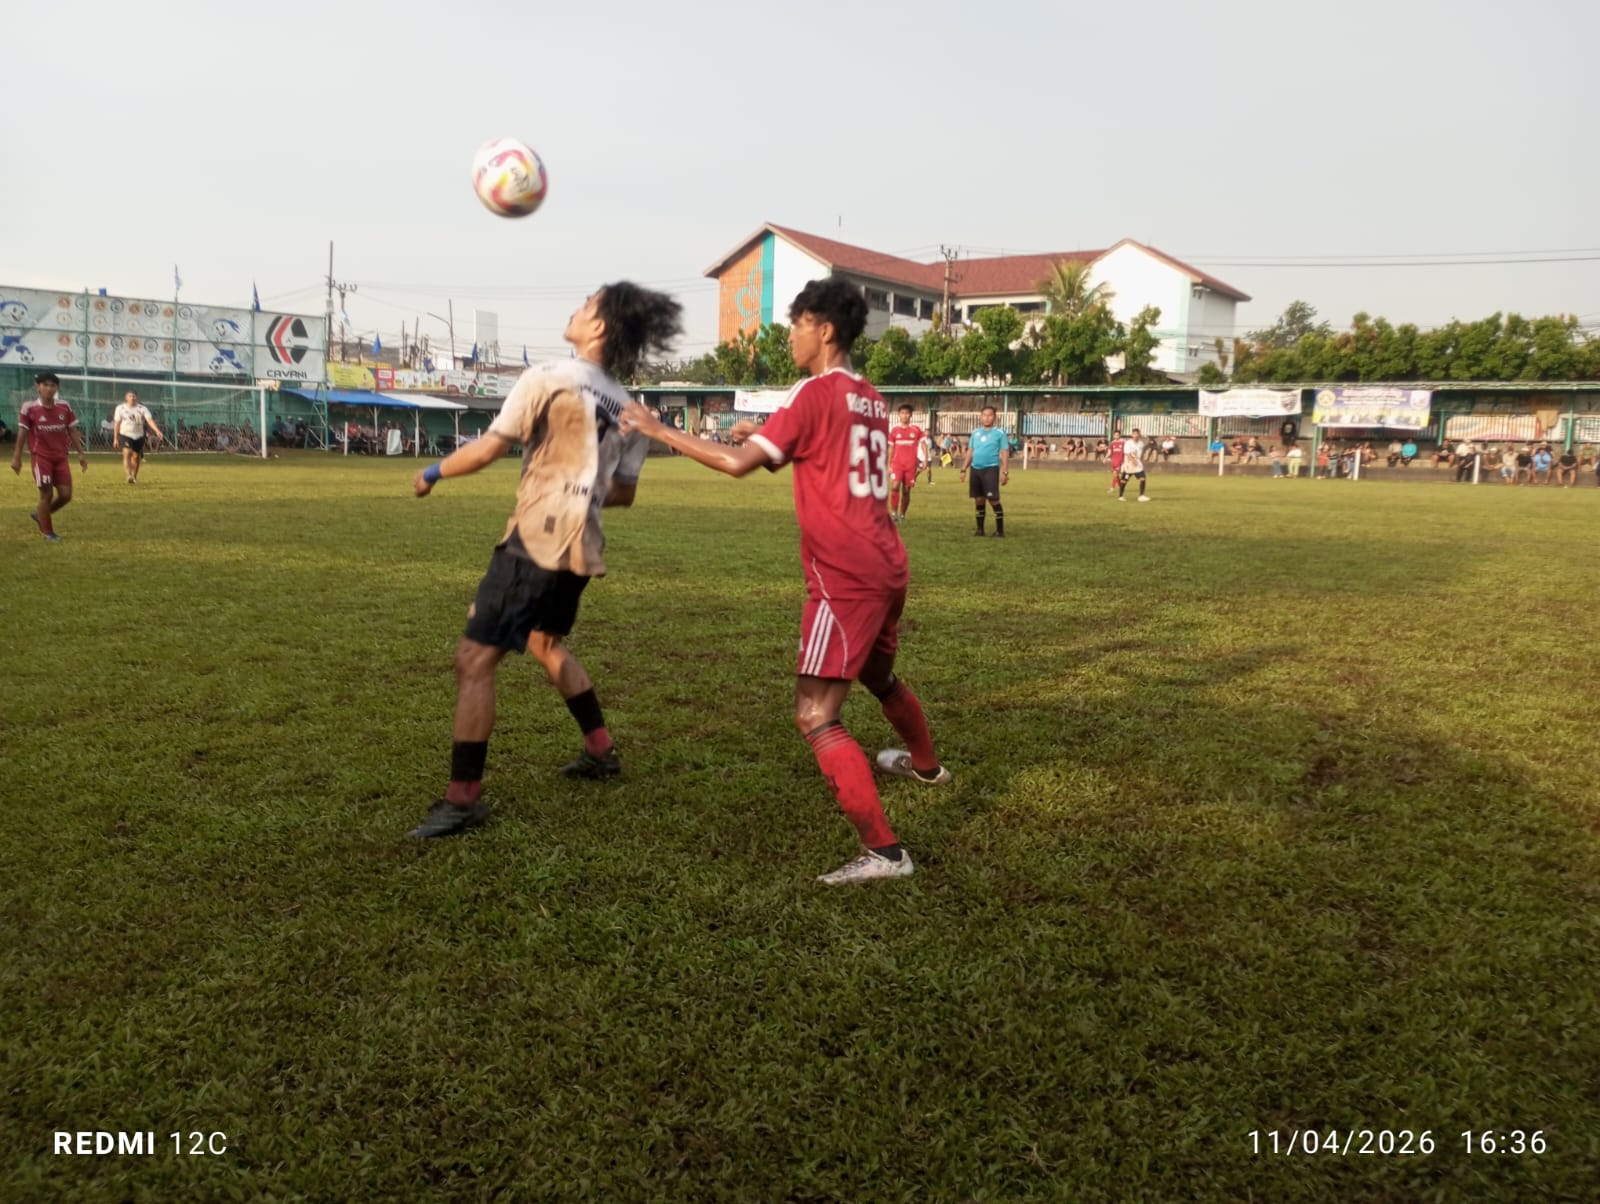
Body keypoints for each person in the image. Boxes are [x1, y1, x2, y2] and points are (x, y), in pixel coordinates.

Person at [621, 278, 948, 885]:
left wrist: (656, 428)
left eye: (797, 324)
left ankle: (886, 853)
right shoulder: (870, 398)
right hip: (886, 561)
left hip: (845, 575)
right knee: (878, 675)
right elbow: (819, 446)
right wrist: (758, 433)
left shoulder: (815, 392)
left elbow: (737, 466)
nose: (791, 335)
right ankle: (926, 766)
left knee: (814, 713)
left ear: (824, 329)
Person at [407, 282, 683, 840]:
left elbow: (488, 449)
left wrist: (431, 474)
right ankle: (600, 751)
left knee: (475, 660)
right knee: (544, 642)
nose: (576, 309)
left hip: (536, 539)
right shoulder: (631, 409)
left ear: (600, 326)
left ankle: (463, 800)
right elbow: (623, 494)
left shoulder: (548, 378)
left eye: (586, 304)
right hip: (584, 545)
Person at [10, 371, 88, 542]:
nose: (49, 388)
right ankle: (48, 532)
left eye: (52, 385)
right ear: (38, 387)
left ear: (57, 388)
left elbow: (72, 431)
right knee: (46, 495)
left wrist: (81, 454)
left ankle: (41, 515)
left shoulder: (64, 407)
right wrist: (17, 456)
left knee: (66, 495)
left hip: (61, 458)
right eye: (45, 385)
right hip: (41, 458)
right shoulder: (29, 408)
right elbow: (23, 431)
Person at [961, 406, 1010, 536]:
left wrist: (1005, 472)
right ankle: (980, 529)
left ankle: (1000, 530)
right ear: (980, 416)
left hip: (991, 468)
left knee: (993, 499)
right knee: (979, 499)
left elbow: (1004, 452)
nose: (987, 418)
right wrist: (963, 469)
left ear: (994, 417)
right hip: (975, 469)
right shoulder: (976, 433)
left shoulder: (999, 433)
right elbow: (970, 451)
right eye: (984, 415)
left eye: (990, 415)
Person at [111, 390, 165, 484]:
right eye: (130, 396)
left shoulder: (142, 408)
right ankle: (128, 475)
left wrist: (157, 430)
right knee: (127, 453)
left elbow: (149, 420)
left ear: (137, 397)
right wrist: (115, 438)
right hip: (125, 434)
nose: (132, 398)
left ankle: (134, 477)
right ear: (126, 397)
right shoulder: (120, 408)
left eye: (134, 396)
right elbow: (117, 423)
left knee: (136, 457)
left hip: (139, 435)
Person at [886, 403, 924, 523]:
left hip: (910, 465)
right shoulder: (894, 431)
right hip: (897, 464)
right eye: (902, 413)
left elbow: (923, 444)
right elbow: (891, 448)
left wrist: (925, 460)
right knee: (895, 486)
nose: (905, 416)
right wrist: (888, 464)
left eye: (907, 413)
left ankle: (902, 514)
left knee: (906, 490)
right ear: (899, 415)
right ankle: (893, 513)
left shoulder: (916, 430)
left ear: (910, 415)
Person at [1118, 428, 1150, 501]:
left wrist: (1138, 460)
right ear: (1132, 435)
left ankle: (1141, 496)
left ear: (1139, 434)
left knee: (1143, 478)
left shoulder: (1141, 443)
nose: (1135, 435)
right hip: (1129, 464)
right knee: (1124, 480)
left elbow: (1139, 453)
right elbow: (1127, 453)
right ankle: (1120, 496)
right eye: (1134, 434)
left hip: (1137, 464)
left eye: (1137, 434)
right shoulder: (1128, 443)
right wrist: (1132, 460)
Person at [1105, 427, 1125, 495]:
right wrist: (1105, 458)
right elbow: (1109, 452)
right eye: (1115, 435)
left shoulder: (1123, 442)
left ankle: (1112, 488)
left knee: (1115, 474)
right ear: (1113, 436)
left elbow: (1126, 452)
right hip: (1114, 461)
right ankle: (1121, 487)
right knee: (1116, 475)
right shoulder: (1112, 443)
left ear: (1119, 435)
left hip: (1120, 461)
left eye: (1117, 435)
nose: (1116, 436)